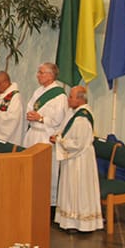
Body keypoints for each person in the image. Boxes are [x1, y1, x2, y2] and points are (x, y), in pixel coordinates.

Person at [50, 86, 103, 232]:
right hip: (75, 159)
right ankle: (69, 220)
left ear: (80, 99)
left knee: (77, 189)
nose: (68, 99)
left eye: (71, 96)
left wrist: (59, 141)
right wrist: (59, 137)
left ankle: (78, 222)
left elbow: (78, 144)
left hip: (79, 161)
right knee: (71, 189)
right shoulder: (75, 114)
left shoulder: (82, 118)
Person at [23, 62, 67, 208]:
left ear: (50, 75)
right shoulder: (39, 91)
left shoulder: (59, 96)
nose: (38, 75)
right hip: (33, 134)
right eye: (38, 72)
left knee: (46, 172)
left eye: (41, 72)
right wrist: (30, 115)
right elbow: (30, 106)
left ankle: (49, 204)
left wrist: (41, 118)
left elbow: (58, 119)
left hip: (45, 136)